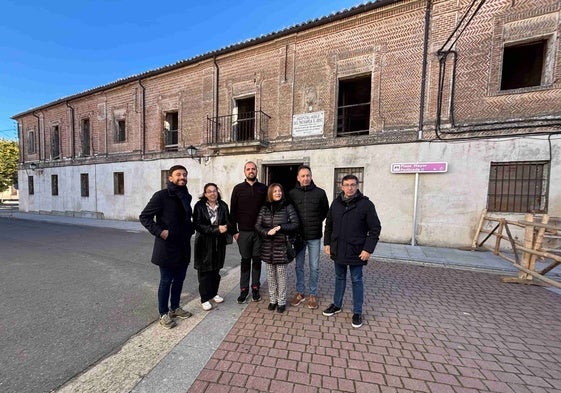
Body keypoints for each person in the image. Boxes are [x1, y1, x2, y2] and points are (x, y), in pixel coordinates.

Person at [322, 174, 381, 328]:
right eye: (346, 185)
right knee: (339, 277)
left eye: (353, 185)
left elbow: (375, 229)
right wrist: (327, 243)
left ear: (357, 186)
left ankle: (357, 311)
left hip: (357, 250)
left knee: (356, 280)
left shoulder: (366, 205)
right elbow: (329, 224)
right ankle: (337, 304)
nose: (349, 188)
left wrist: (368, 249)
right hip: (338, 249)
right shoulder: (336, 203)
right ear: (342, 187)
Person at [139, 164, 194, 329]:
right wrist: (160, 231)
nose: (182, 177)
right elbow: (144, 217)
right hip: (167, 246)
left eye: (184, 174)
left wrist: (190, 228)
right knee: (166, 281)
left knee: (179, 280)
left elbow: (185, 218)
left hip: (183, 245)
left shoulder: (186, 196)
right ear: (170, 178)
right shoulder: (161, 196)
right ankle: (163, 313)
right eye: (178, 174)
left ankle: (175, 308)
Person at [288, 165, 329, 309]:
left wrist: (316, 222)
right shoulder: (292, 194)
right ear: (298, 178)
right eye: (303, 176)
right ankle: (300, 292)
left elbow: (325, 212)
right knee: (299, 266)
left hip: (314, 236)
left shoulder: (320, 193)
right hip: (298, 237)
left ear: (311, 177)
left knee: (314, 267)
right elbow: (289, 214)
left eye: (308, 175)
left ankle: (312, 294)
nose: (305, 178)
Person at [255, 183, 300, 313]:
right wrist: (266, 232)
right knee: (270, 275)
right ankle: (272, 300)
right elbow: (258, 225)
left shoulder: (288, 206)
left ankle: (281, 301)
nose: (278, 193)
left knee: (281, 276)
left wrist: (281, 227)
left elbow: (295, 224)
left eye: (279, 191)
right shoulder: (264, 208)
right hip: (268, 247)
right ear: (270, 193)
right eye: (275, 191)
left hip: (282, 247)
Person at [230, 161, 268, 303]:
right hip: (243, 233)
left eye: (253, 169)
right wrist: (234, 232)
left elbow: (268, 210)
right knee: (245, 261)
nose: (251, 171)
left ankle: (255, 288)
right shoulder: (238, 189)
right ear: (244, 171)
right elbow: (232, 211)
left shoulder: (263, 188)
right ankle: (244, 290)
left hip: (259, 232)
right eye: (248, 169)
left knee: (257, 261)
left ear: (257, 171)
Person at [193, 183, 235, 311]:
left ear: (218, 192)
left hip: (219, 243)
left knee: (216, 270)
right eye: (209, 191)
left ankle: (214, 293)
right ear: (205, 194)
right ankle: (204, 298)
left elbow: (228, 220)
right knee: (204, 271)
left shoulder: (223, 205)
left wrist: (228, 227)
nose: (212, 193)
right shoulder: (199, 206)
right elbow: (198, 225)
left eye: (214, 191)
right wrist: (216, 229)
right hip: (204, 243)